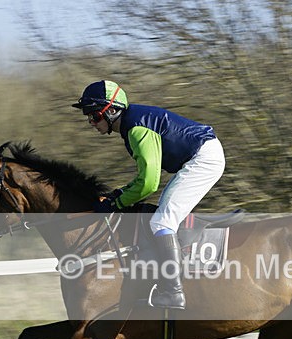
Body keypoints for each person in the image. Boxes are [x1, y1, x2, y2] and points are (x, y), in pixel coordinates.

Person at [72, 80, 225, 310]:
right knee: (161, 218)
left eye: (94, 116)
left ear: (111, 111)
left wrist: (116, 203)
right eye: (88, 117)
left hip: (203, 159)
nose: (91, 123)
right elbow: (145, 180)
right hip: (200, 156)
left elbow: (149, 184)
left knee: (162, 222)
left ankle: (173, 292)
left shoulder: (136, 128)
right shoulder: (132, 125)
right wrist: (119, 194)